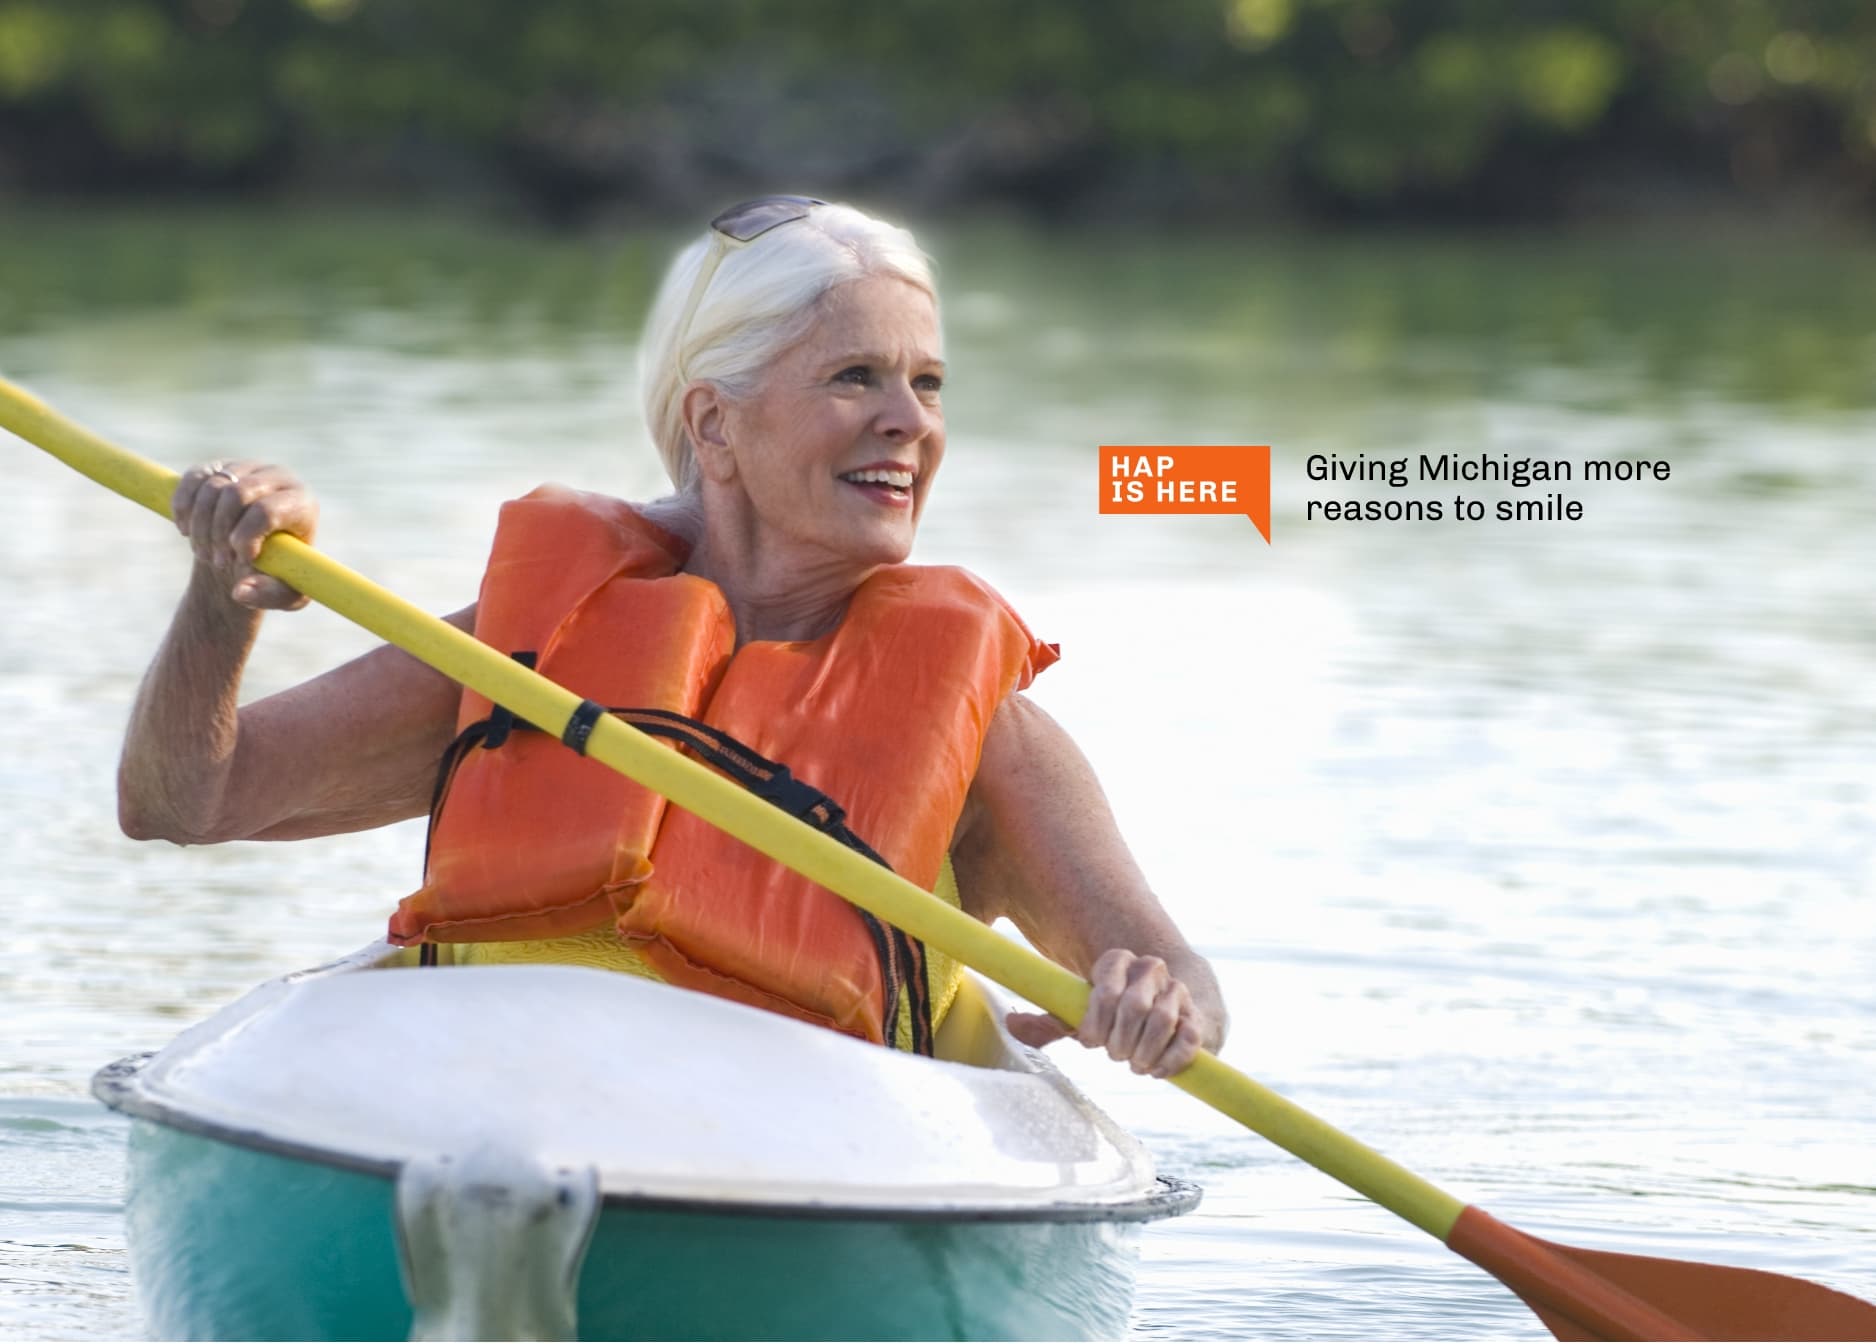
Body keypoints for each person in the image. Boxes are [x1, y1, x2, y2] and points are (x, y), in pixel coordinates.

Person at [117, 196, 1226, 1077]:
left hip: (815, 1153)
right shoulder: (529, 652)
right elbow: (181, 802)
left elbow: (1181, 984)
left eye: (926, 384)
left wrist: (1154, 1004)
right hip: (490, 1103)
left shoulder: (990, 735)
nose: (910, 424)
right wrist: (221, 602)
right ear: (713, 424)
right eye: (855, 377)